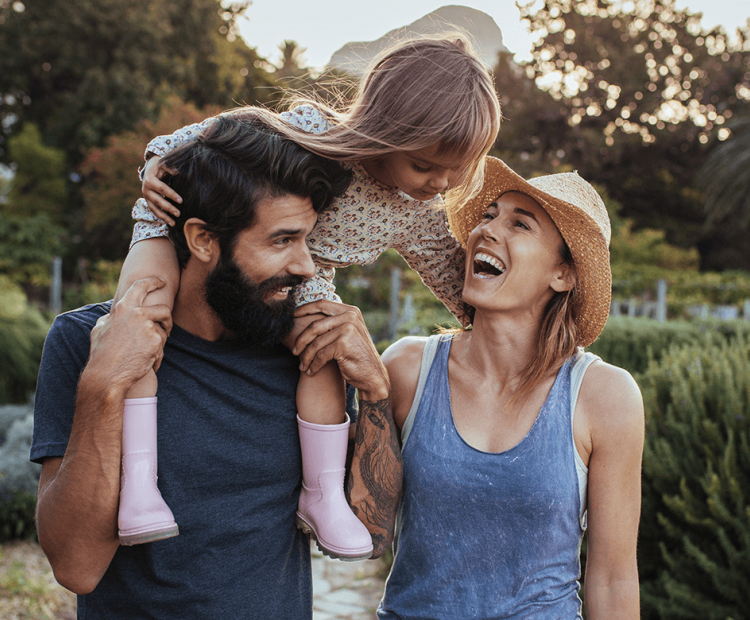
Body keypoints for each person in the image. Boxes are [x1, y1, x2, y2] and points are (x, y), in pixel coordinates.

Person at [116, 33, 502, 558]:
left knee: (323, 350)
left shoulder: (416, 212)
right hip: (177, 226)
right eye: (425, 165)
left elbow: (455, 281)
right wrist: (157, 171)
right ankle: (137, 482)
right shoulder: (311, 132)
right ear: (383, 129)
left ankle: (320, 494)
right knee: (142, 316)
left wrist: (509, 322)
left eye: (458, 170)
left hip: (299, 275)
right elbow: (195, 140)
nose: (441, 182)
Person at [31, 115, 402, 619]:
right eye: (281, 240)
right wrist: (102, 384)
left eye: (307, 240)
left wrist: (376, 390)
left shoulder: (304, 353)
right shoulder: (84, 340)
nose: (306, 266)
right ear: (203, 240)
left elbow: (373, 534)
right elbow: (77, 567)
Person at [377, 157, 644, 619]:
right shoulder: (407, 369)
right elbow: (359, 525)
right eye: (488, 215)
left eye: (520, 224)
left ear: (563, 275)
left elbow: (613, 578)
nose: (488, 230)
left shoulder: (604, 397)